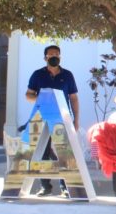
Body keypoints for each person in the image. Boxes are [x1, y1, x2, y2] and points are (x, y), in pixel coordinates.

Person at [26, 45, 80, 197]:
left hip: (62, 119)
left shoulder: (68, 75)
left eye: (57, 54)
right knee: (42, 152)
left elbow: (74, 98)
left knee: (64, 153)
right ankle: (45, 187)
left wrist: (76, 120)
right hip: (41, 119)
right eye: (51, 55)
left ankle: (66, 187)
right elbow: (28, 95)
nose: (54, 57)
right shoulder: (37, 75)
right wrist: (42, 99)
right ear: (45, 58)